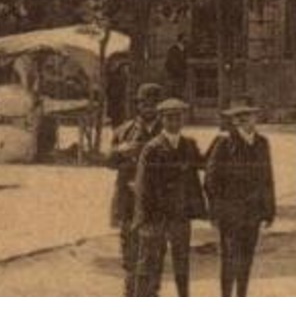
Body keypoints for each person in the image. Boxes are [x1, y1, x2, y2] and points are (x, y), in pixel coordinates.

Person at [133, 98, 206, 296]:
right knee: (149, 264)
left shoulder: (189, 145)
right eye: (169, 118)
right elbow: (142, 186)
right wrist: (143, 219)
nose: (174, 123)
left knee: (182, 263)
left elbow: (204, 165)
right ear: (162, 120)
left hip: (180, 216)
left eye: (178, 118)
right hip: (156, 217)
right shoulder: (152, 148)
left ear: (183, 120)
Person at [205, 99, 274, 296]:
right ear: (233, 120)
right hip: (230, 214)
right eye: (238, 116)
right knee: (230, 259)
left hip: (253, 213)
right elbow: (210, 181)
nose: (243, 119)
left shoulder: (262, 143)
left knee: (247, 258)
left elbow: (267, 178)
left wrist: (269, 211)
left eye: (247, 114)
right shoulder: (224, 144)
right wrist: (217, 211)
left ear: (256, 117)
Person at [108, 82, 163, 296]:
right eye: (144, 103)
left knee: (155, 256)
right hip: (129, 201)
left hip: (156, 204)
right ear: (138, 105)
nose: (149, 108)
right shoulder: (124, 131)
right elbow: (108, 162)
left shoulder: (166, 131)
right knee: (130, 256)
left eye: (153, 104)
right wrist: (119, 152)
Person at [164, 34, 189, 102]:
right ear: (181, 41)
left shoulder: (185, 50)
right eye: (185, 41)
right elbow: (173, 64)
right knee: (176, 91)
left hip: (181, 75)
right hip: (174, 75)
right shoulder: (173, 50)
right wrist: (183, 72)